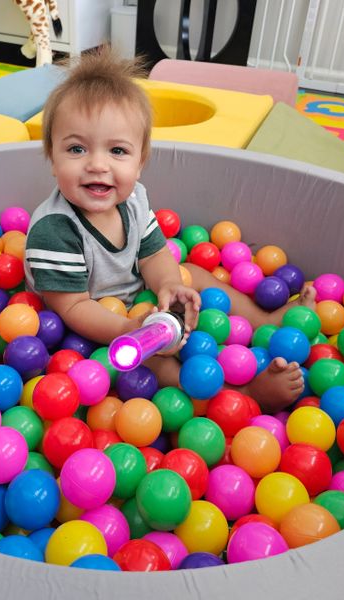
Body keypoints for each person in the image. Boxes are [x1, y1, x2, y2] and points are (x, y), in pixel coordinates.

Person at [24, 48, 316, 414]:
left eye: (117, 150)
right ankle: (232, 399)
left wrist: (166, 284)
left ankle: (265, 319)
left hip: (140, 306)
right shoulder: (54, 230)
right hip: (87, 326)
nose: (97, 165)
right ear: (52, 158)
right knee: (146, 361)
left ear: (140, 162)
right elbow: (73, 308)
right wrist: (127, 330)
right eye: (77, 149)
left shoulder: (134, 201)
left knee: (189, 273)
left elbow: (153, 253)